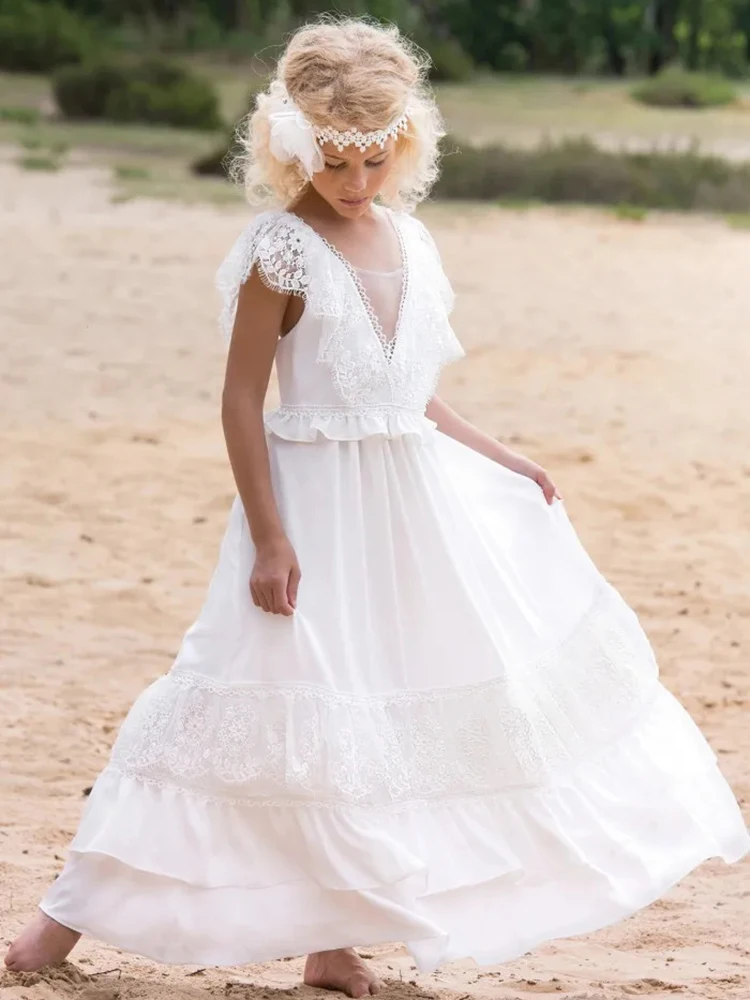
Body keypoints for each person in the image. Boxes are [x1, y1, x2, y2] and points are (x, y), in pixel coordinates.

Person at [6, 15, 748, 997]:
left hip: (408, 516)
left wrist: (502, 452)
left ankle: (334, 941)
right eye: (336, 161)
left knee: (377, 720)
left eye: (372, 159)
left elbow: (410, 393)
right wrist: (271, 537)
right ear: (294, 145)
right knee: (227, 699)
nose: (355, 181)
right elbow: (241, 399)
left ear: (404, 144)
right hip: (312, 513)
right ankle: (57, 922)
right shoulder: (281, 248)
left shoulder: (409, 237)